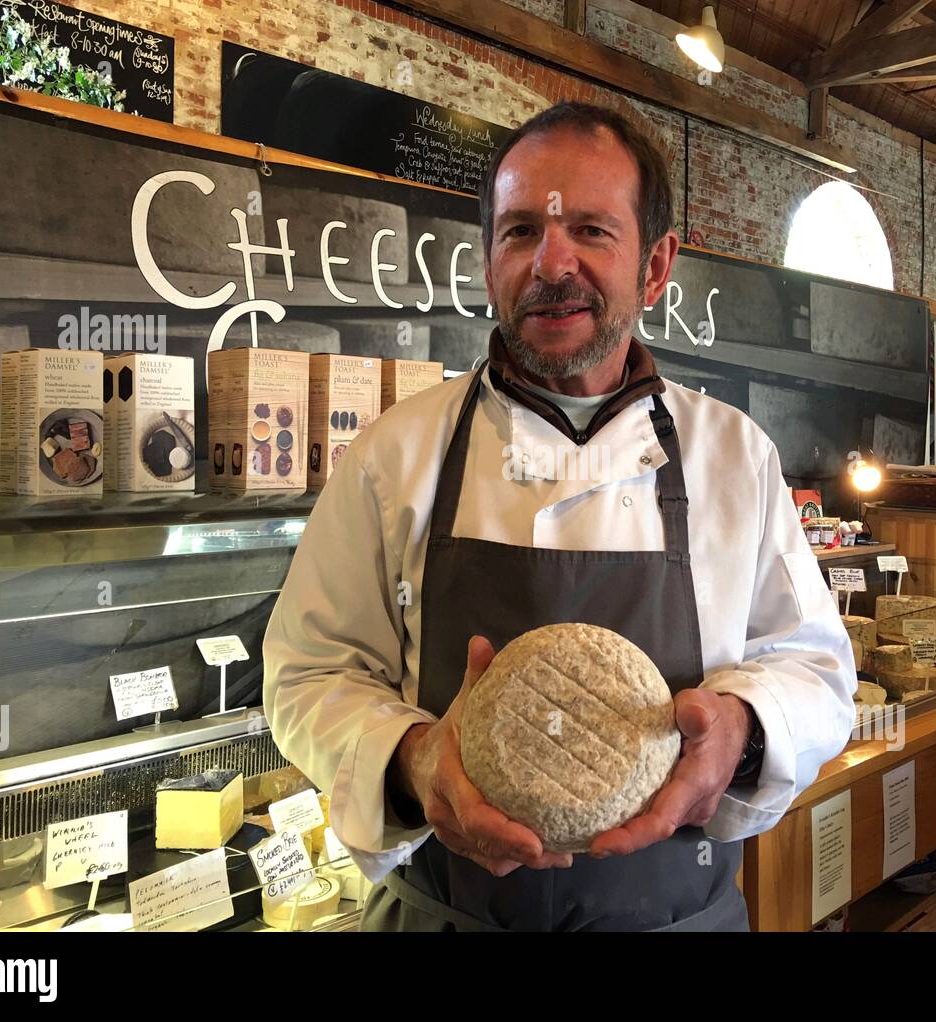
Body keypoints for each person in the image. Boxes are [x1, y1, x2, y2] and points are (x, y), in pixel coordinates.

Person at [263, 101, 856, 931]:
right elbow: (306, 672)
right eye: (518, 233)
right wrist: (410, 762)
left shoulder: (735, 458)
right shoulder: (394, 455)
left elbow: (820, 673)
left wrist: (743, 729)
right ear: (486, 259)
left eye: (590, 230)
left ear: (655, 267)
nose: (551, 262)